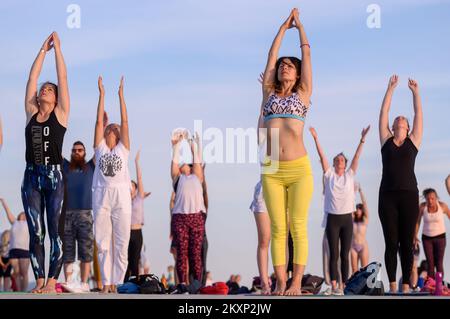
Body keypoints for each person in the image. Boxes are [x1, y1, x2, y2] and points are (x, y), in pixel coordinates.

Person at [260, 8, 313, 296]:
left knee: (297, 226)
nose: (284, 67)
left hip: (298, 169)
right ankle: (280, 281)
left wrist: (300, 27)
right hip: (271, 168)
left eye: (290, 66)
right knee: (277, 228)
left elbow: (307, 56)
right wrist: (283, 26)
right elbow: (271, 55)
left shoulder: (302, 93)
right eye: (283, 66)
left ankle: (296, 282)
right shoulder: (268, 94)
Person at [22, 32, 69, 293]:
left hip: (54, 178)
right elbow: (32, 78)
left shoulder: (60, 115)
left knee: (55, 232)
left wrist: (58, 51)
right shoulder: (31, 112)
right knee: (36, 232)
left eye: (50, 89)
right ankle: (39, 280)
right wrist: (42, 50)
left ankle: (52, 282)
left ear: (56, 98)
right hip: (31, 177)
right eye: (43, 88)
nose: (44, 89)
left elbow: (62, 77)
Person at [309, 126, 370, 295]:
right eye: (337, 160)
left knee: (344, 254)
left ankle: (343, 286)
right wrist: (315, 138)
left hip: (346, 219)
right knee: (333, 254)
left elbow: (357, 156)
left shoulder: (350, 175)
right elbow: (322, 157)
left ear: (345, 164)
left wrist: (362, 139)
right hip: (332, 219)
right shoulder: (329, 175)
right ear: (334, 163)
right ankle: (334, 285)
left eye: (342, 160)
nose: (339, 161)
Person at [378, 75, 423, 293]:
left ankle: (406, 285)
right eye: (398, 119)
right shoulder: (386, 140)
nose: (400, 119)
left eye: (403, 120)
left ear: (406, 128)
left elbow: (418, 115)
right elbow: (384, 112)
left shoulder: (413, 141)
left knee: (406, 243)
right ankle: (393, 285)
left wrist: (415, 93)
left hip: (408, 196)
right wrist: (390, 89)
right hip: (387, 196)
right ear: (394, 126)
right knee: (391, 242)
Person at [93, 76, 131, 293]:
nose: (113, 130)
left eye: (115, 129)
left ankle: (116, 282)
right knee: (102, 240)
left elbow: (125, 122)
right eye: (110, 128)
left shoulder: (122, 150)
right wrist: (102, 95)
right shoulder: (99, 149)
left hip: (121, 196)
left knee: (121, 241)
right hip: (101, 195)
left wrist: (121, 96)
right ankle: (106, 282)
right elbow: (99, 122)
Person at [170, 131, 206, 285]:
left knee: (195, 253)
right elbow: (175, 161)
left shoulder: (197, 177)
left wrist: (194, 144)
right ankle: (183, 283)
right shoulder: (177, 178)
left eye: (188, 163)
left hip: (196, 217)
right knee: (182, 253)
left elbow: (197, 161)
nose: (185, 163)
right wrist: (177, 145)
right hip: (180, 218)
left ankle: (196, 282)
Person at [61, 141, 95, 293]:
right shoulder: (65, 166)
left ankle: (83, 283)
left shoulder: (90, 167)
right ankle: (69, 282)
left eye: (80, 150)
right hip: (66, 214)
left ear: (85, 152)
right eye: (74, 150)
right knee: (67, 251)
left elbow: (99, 147)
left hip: (85, 214)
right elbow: (54, 147)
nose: (77, 152)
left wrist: (102, 126)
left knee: (85, 251)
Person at [125, 150, 151, 282]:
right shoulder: (123, 200)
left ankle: (134, 283)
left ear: (135, 189)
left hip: (137, 232)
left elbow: (139, 178)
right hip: (125, 232)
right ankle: (123, 283)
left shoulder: (139, 198)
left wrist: (136, 162)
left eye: (132, 186)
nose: (130, 188)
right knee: (125, 260)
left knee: (135, 259)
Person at [415, 188, 450, 280]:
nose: (430, 201)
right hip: (427, 238)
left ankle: (439, 283)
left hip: (440, 238)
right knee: (430, 263)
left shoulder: (443, 206)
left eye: (432, 198)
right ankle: (431, 283)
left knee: (439, 262)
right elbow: (417, 222)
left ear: (436, 198)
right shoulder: (422, 207)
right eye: (428, 199)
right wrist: (414, 236)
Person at [1, 198, 30, 291]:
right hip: (13, 251)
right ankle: (19, 291)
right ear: (19, 216)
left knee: (24, 273)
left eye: (25, 214)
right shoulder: (14, 222)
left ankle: (24, 290)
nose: (23, 214)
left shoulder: (29, 224)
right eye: (22, 213)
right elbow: (7, 210)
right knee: (16, 273)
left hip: (24, 250)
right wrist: (2, 200)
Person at [351, 185, 370, 273]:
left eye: (359, 209)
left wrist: (360, 191)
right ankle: (355, 285)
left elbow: (365, 204)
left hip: (363, 246)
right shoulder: (352, 219)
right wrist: (353, 193)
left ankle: (364, 286)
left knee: (364, 269)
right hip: (353, 246)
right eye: (357, 209)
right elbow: (350, 204)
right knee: (354, 270)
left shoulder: (365, 219)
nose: (358, 210)